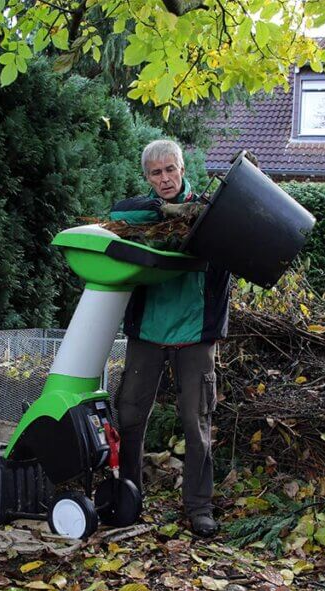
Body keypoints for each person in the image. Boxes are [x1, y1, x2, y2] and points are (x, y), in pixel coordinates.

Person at [110, 140, 232, 538]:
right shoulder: (140, 214)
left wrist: (191, 212)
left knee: (196, 422)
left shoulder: (209, 214)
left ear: (183, 168)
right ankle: (128, 495)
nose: (165, 179)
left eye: (170, 170)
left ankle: (199, 508)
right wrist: (165, 210)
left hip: (195, 335)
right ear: (147, 177)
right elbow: (117, 211)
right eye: (156, 173)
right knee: (129, 417)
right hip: (148, 332)